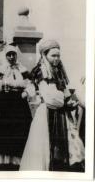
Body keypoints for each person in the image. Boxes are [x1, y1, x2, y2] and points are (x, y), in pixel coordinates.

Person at [20, 40, 84, 171]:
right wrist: (64, 101)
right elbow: (50, 98)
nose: (56, 59)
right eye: (53, 55)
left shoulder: (58, 70)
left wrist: (68, 100)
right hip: (48, 112)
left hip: (60, 112)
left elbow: (64, 92)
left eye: (58, 55)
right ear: (44, 55)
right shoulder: (41, 71)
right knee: (44, 146)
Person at [0, 45, 35, 170]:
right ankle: (4, 164)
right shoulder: (0, 70)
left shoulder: (23, 69)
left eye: (13, 54)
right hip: (5, 103)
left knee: (20, 130)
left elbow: (31, 85)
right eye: (8, 54)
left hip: (20, 104)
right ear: (5, 56)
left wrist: (25, 93)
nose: (11, 57)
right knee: (5, 132)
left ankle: (17, 163)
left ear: (16, 55)